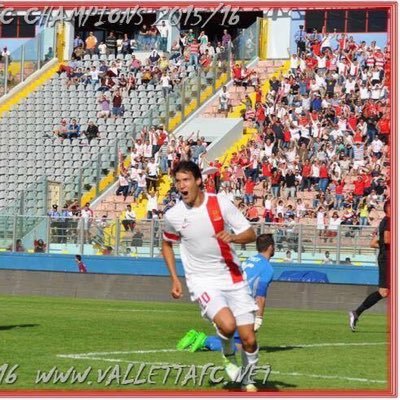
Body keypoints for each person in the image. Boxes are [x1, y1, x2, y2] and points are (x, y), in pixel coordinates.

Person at [162, 161, 259, 392]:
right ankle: (227, 355)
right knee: (227, 325)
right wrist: (175, 279)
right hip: (202, 280)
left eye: (185, 180)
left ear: (198, 181)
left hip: (233, 277)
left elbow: (251, 233)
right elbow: (166, 244)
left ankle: (249, 378)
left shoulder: (220, 203)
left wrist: (234, 238)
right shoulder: (174, 215)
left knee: (249, 340)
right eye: (177, 181)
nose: (181, 186)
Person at [178, 234, 275, 355]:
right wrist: (259, 318)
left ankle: (198, 338)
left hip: (230, 296)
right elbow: (260, 295)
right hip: (240, 303)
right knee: (240, 346)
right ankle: (204, 340)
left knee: (237, 340)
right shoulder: (267, 268)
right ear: (271, 247)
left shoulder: (249, 260)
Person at [349, 199, 390, 331]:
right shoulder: (389, 221)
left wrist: (383, 245)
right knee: (384, 292)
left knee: (385, 292)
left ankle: (356, 313)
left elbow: (374, 243)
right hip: (387, 261)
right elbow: (388, 239)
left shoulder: (386, 222)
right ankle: (356, 312)